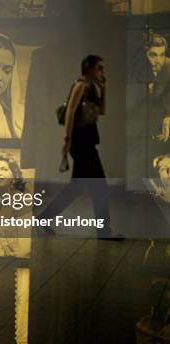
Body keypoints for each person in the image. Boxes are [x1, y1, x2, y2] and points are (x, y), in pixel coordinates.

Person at [36, 55, 122, 239]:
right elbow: (70, 112)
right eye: (99, 68)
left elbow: (102, 110)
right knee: (99, 186)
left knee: (77, 187)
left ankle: (43, 218)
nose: (102, 71)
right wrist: (67, 139)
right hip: (81, 142)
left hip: (87, 141)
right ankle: (104, 231)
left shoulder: (92, 88)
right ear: (89, 69)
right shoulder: (81, 85)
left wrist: (104, 88)